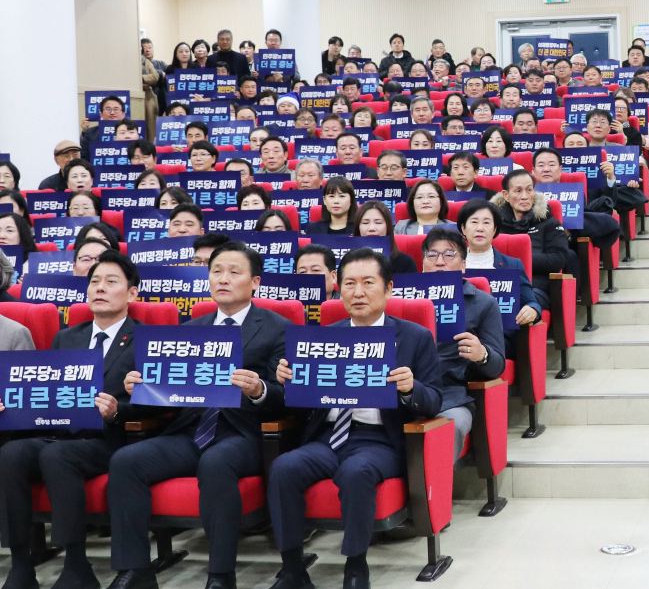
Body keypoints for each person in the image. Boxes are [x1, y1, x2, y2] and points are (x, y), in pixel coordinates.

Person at [106, 242, 291, 589]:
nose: (223, 279)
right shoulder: (191, 327)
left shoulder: (276, 328)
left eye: (233, 272)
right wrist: (139, 388)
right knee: (126, 461)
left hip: (245, 434)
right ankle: (135, 570)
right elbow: (168, 394)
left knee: (216, 462)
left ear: (255, 282)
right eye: (216, 271)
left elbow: (287, 397)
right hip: (190, 430)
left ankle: (220, 575)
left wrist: (259, 390)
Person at [268, 249, 443, 589]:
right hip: (327, 437)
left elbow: (435, 400)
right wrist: (289, 383)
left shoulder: (414, 337)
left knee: (356, 471)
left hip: (379, 440)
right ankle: (292, 569)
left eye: (367, 283)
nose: (358, 292)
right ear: (337, 285)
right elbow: (301, 407)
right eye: (349, 283)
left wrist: (411, 388)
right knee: (284, 468)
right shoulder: (322, 338)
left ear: (388, 288)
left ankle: (355, 566)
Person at [0, 251, 139, 589]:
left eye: (111, 281)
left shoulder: (143, 340)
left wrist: (118, 409)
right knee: (11, 453)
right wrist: (13, 403)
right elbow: (47, 391)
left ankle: (76, 564)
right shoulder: (67, 337)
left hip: (109, 439)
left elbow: (157, 404)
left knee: (56, 455)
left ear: (132, 293)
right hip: (60, 433)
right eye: (94, 282)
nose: (100, 288)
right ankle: (21, 564)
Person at [420, 228, 505, 457]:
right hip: (404, 394)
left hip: (450, 397)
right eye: (432, 255)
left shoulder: (483, 303)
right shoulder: (401, 299)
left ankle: (437, 481)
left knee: (450, 427)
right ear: (422, 263)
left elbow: (498, 364)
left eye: (449, 255)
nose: (440, 262)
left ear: (464, 265)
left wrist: (482, 354)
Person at [457, 199, 544, 327]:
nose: (480, 228)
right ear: (463, 228)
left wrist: (532, 310)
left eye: (486, 223)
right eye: (474, 222)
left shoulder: (512, 265)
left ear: (495, 229)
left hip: (500, 333)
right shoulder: (450, 264)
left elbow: (532, 302)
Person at [491, 170, 573, 299]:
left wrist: (520, 261)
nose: (524, 196)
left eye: (529, 190)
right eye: (518, 191)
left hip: (535, 286)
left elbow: (559, 259)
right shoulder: (493, 223)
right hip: (498, 284)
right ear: (506, 195)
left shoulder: (548, 222)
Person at [353, 200, 417, 274]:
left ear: (388, 227)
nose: (371, 228)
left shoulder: (404, 263)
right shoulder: (347, 260)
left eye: (378, 222)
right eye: (365, 223)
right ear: (358, 228)